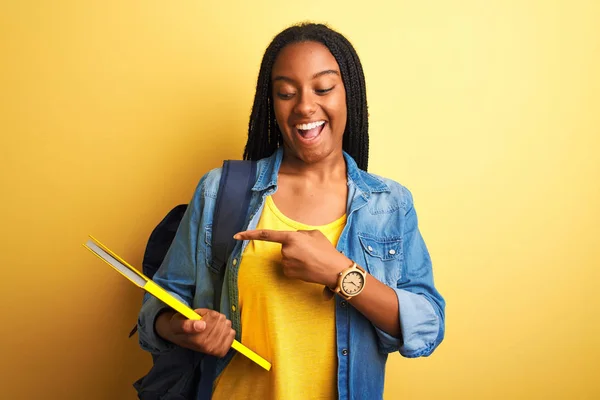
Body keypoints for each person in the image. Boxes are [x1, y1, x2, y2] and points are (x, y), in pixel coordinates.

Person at [137, 22, 445, 400]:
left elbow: (427, 328)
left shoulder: (389, 204)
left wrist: (340, 272)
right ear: (272, 103)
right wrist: (187, 328)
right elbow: (158, 307)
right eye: (286, 92)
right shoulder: (220, 190)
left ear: (349, 94)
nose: (304, 105)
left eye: (324, 88)